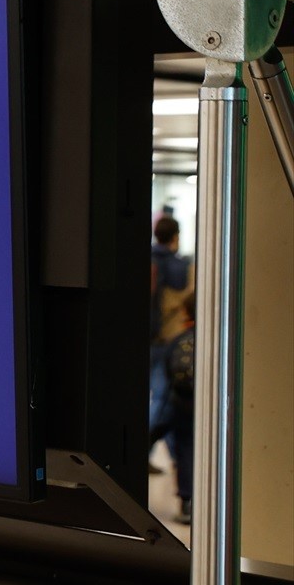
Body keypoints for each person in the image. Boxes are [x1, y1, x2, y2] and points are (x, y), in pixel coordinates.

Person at [149, 215, 195, 523]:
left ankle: (148, 444)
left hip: (148, 339)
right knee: (166, 401)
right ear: (175, 236)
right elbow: (186, 297)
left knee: (158, 398)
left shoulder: (148, 260)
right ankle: (148, 442)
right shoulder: (181, 266)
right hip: (171, 341)